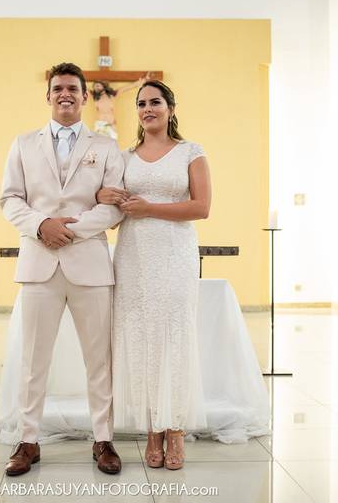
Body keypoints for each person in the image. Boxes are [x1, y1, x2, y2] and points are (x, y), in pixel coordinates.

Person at [0, 62, 125, 476]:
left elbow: (114, 206)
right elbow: (10, 199)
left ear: (85, 96)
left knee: (99, 359)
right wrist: (41, 225)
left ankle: (103, 439)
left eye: (73, 88)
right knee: (33, 359)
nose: (65, 94)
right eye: (58, 88)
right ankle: (28, 440)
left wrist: (68, 230)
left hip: (90, 266)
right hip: (39, 265)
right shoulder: (23, 144)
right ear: (48, 96)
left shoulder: (106, 147)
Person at [97, 80, 211, 470]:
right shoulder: (124, 157)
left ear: (170, 108)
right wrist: (104, 197)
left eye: (156, 102)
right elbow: (111, 206)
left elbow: (201, 207)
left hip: (175, 254)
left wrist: (150, 209)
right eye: (142, 103)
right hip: (134, 256)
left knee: (173, 336)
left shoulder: (191, 152)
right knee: (141, 337)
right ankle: (152, 429)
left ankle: (175, 428)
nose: (148, 108)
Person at [90, 74, 148, 140]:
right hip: (99, 126)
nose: (96, 88)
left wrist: (142, 81)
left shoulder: (113, 95)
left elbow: (127, 87)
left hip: (111, 125)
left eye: (97, 86)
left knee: (112, 145)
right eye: (94, 87)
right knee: (98, 145)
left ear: (104, 86)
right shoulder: (94, 96)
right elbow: (82, 88)